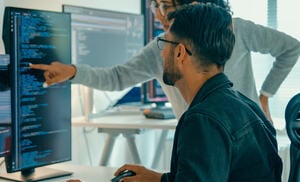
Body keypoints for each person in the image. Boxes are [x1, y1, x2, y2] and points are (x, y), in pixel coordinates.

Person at [53, 3, 283, 182]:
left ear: (180, 53)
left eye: (165, 44)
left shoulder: (203, 120)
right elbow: (217, 180)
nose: (160, 54)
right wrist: (162, 178)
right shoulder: (245, 105)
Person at [30, 0, 300, 122]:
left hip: (236, 137)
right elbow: (117, 77)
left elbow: (291, 48)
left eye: (162, 5)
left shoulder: (235, 29)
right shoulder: (162, 48)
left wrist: (265, 96)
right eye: (155, 6)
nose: (157, 14)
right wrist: (74, 71)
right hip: (198, 140)